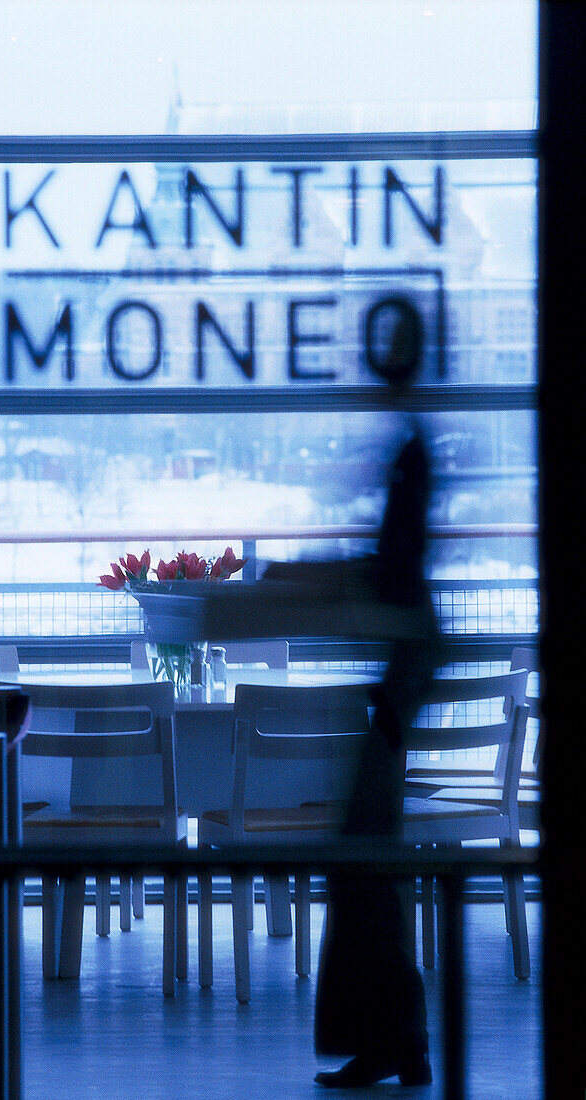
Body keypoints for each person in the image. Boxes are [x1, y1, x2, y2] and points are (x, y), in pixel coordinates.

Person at [313, 302, 443, 1089]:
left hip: (404, 656)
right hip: (406, 654)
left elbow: (398, 560)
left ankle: (396, 1034)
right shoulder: (411, 439)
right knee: (367, 846)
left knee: (365, 848)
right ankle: (398, 1035)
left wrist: (336, 578)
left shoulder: (408, 445)